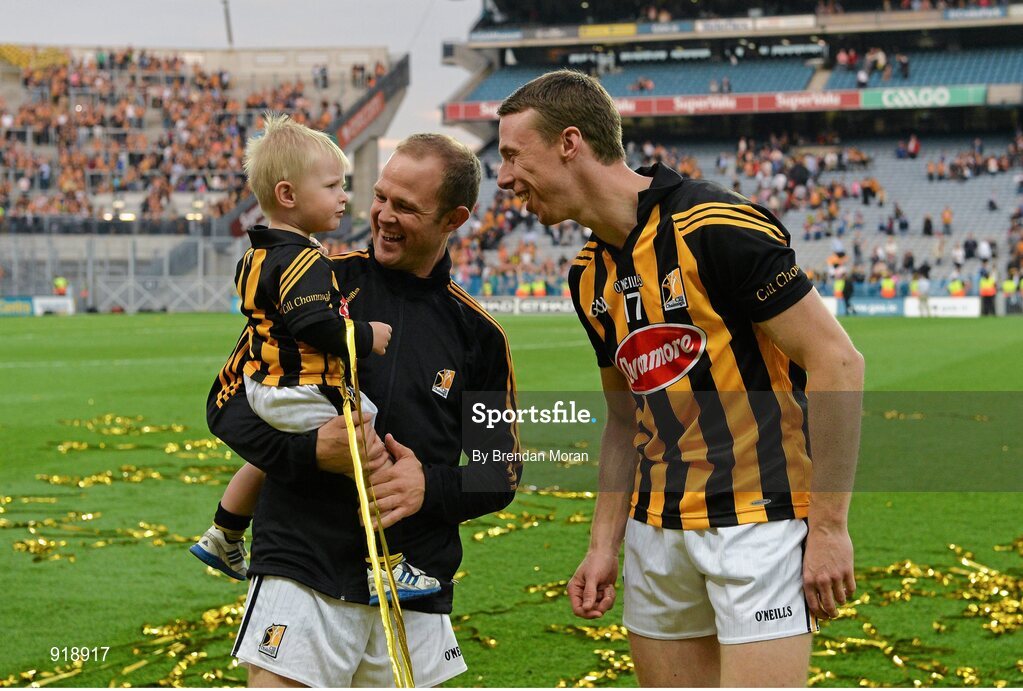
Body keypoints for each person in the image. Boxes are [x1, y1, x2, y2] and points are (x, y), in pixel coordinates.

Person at [496, 70, 863, 687]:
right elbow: (622, 419)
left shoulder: (712, 224)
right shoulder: (587, 275)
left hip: (759, 522)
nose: (503, 177)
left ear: (569, 143)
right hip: (654, 534)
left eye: (511, 154)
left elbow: (839, 362)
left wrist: (828, 528)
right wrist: (603, 544)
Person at [207, 133, 521, 687]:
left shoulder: (482, 337)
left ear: (454, 218)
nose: (383, 216)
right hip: (300, 567)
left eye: (406, 206)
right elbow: (225, 403)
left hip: (413, 588)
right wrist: (307, 452)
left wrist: (429, 487)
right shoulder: (316, 281)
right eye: (380, 196)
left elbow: (501, 475)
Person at [189, 113, 442, 604]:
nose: (345, 197)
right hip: (301, 382)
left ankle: (223, 532)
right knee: (369, 452)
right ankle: (384, 567)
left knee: (270, 458)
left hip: (267, 384)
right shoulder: (305, 259)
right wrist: (365, 335)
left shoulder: (258, 254)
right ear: (289, 196)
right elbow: (313, 325)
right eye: (333, 186)